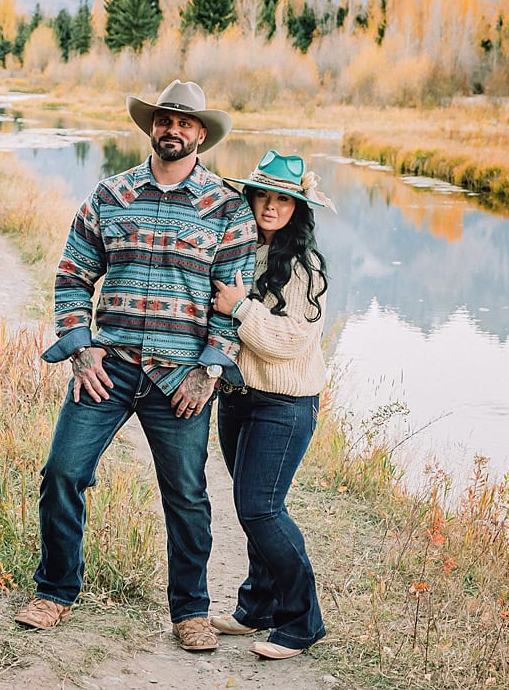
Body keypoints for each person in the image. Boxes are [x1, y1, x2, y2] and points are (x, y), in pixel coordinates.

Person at [15, 80, 258, 655]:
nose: (172, 129)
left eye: (184, 122)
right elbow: (73, 274)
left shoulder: (227, 208)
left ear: (201, 134)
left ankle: (190, 611)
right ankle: (55, 590)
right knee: (63, 472)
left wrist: (210, 370)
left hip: (180, 380)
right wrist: (80, 346)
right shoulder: (111, 194)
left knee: (187, 494)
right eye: (164, 119)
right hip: (110, 366)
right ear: (152, 127)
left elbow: (233, 299)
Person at [209, 149, 334, 660]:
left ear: (296, 208)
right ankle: (256, 607)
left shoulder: (303, 267)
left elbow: (289, 342)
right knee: (250, 506)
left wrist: (239, 307)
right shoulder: (238, 248)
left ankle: (301, 620)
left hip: (285, 402)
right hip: (237, 397)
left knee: (261, 508)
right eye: (263, 195)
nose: (269, 207)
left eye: (283, 199)